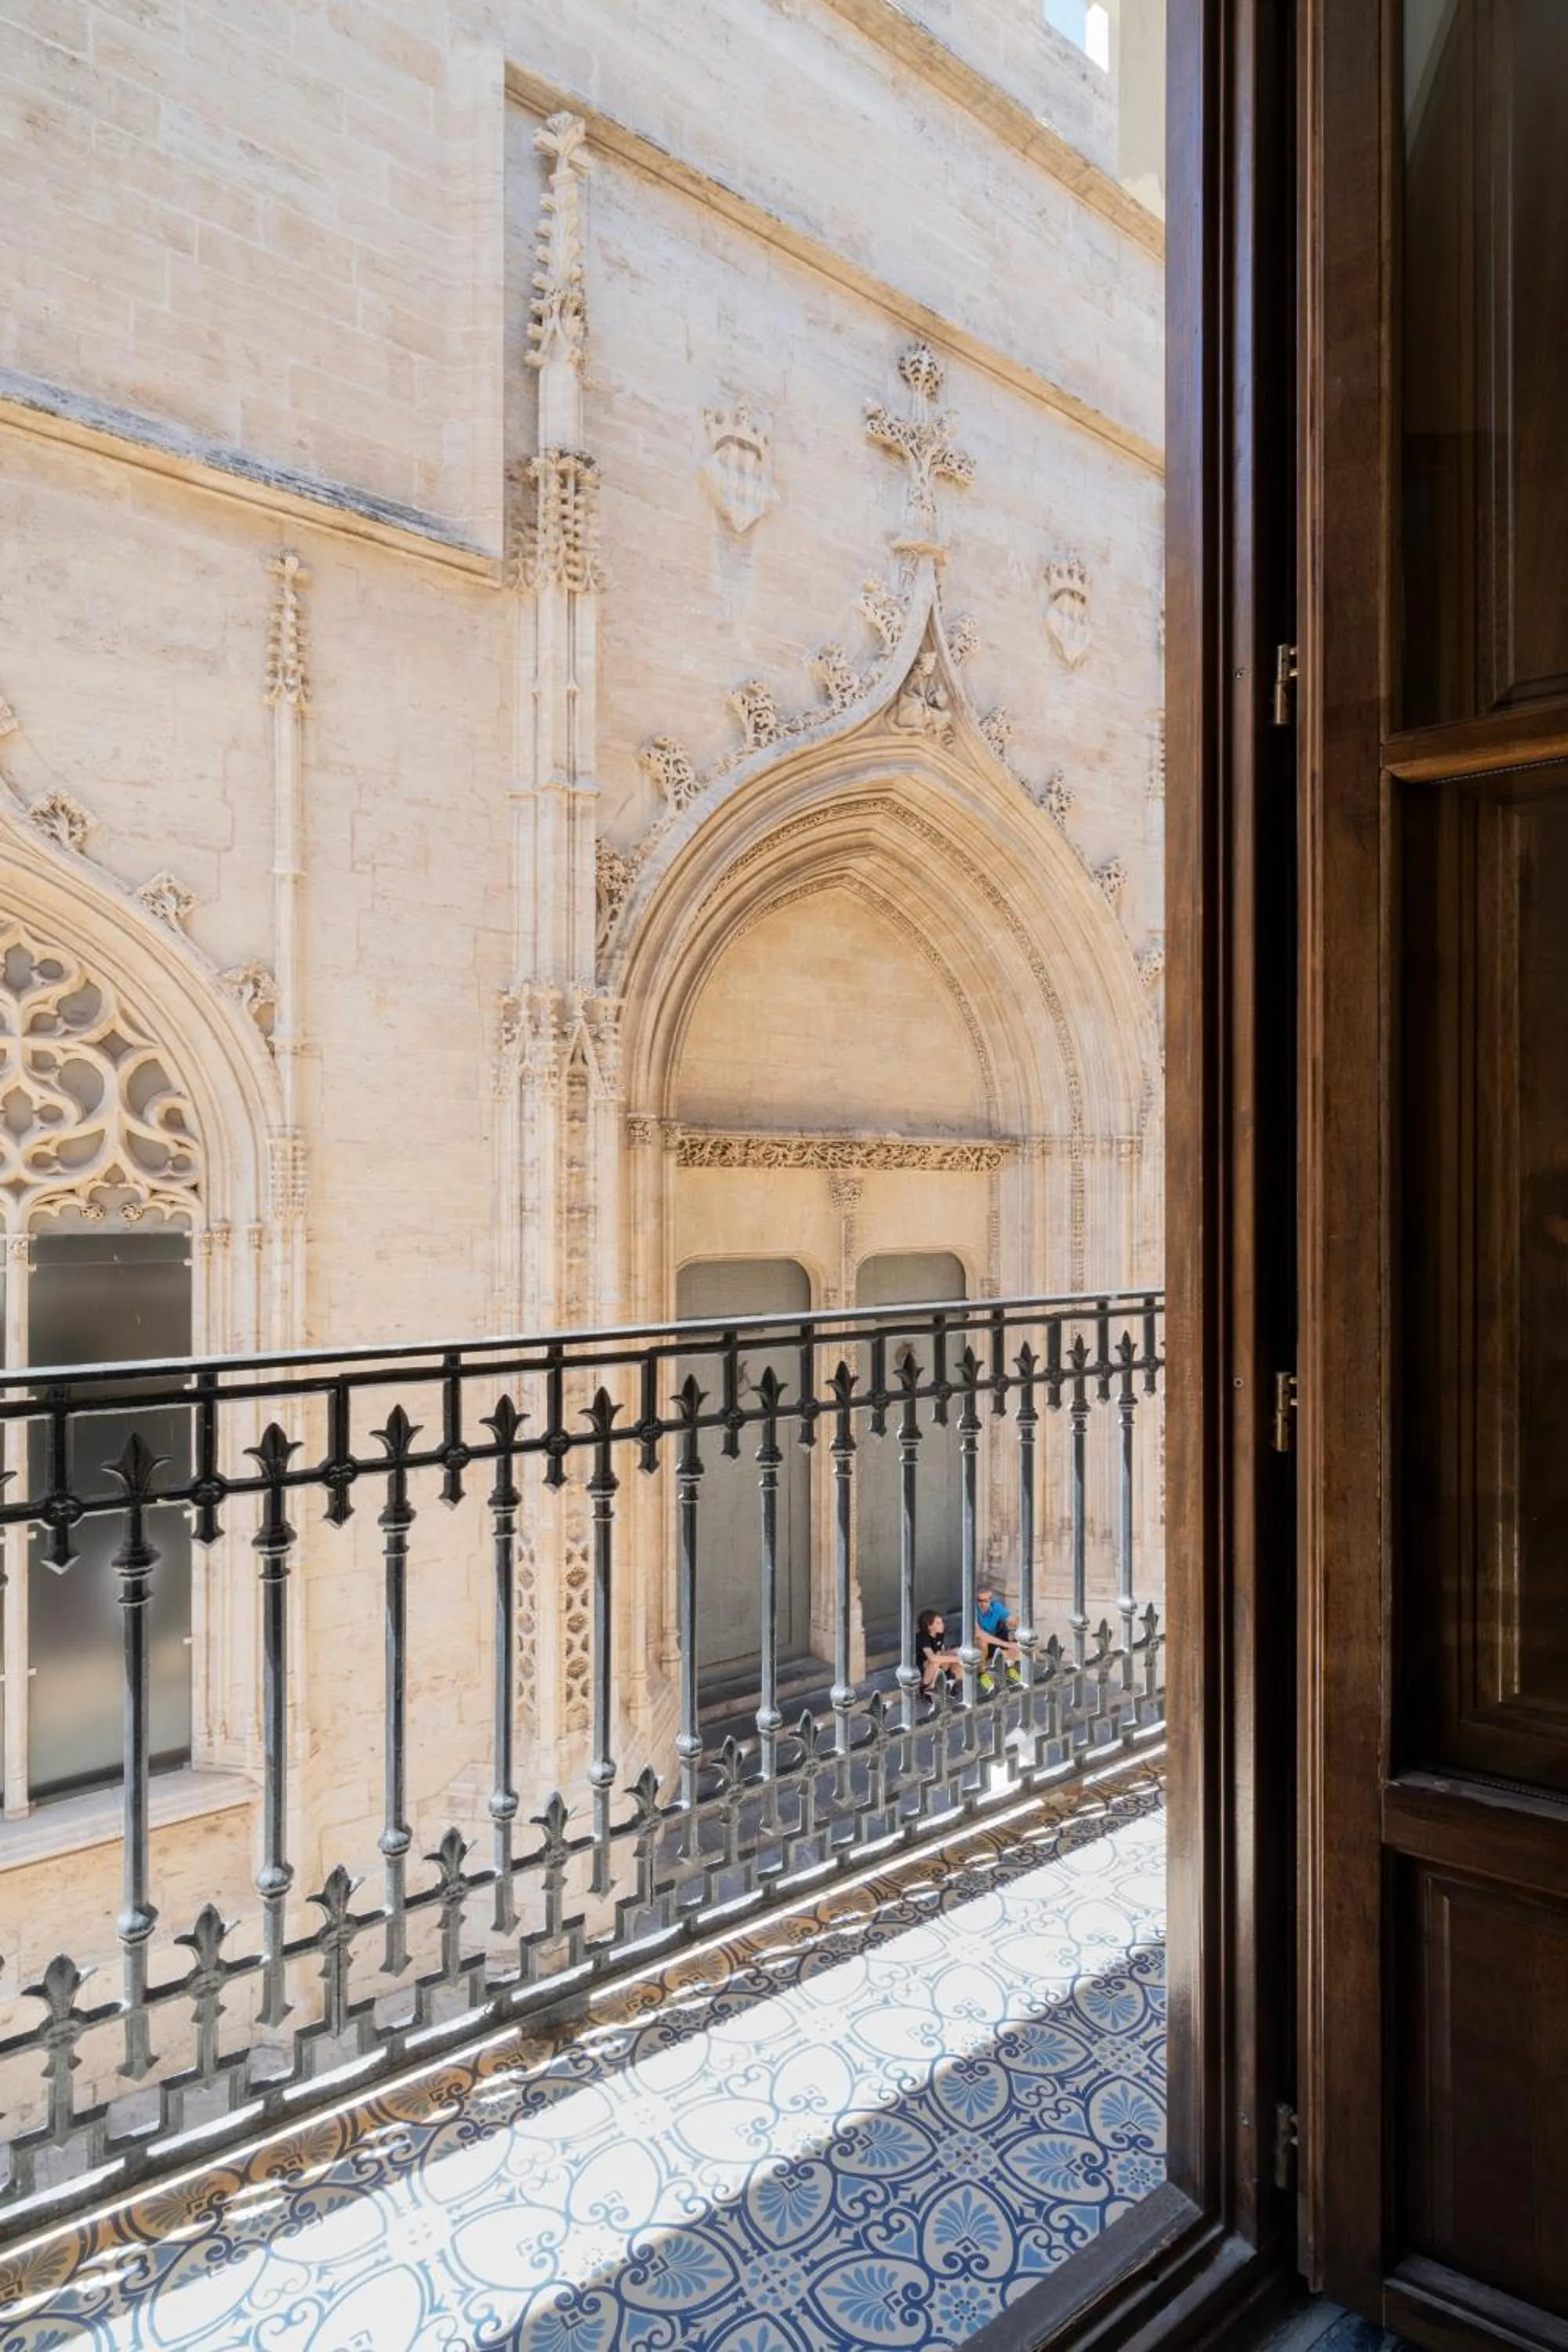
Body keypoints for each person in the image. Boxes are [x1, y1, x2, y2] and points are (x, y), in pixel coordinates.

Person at [975, 1587, 1022, 1679]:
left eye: (986, 1601)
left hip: (993, 1639)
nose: (983, 1604)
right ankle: (982, 1674)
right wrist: (1007, 1644)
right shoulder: (972, 1610)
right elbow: (979, 1634)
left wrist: (1014, 1639)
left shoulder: (996, 1607)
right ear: (977, 1600)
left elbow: (1014, 1621)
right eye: (981, 1601)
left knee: (1009, 1632)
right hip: (977, 1643)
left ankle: (1010, 1668)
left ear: (991, 1600)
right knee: (982, 1642)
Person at [914, 1607, 961, 1696]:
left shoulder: (939, 1634)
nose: (942, 1625)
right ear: (930, 1626)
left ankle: (949, 1681)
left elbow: (941, 1652)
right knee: (936, 1661)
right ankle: (926, 1688)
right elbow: (932, 1657)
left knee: (953, 1653)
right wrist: (957, 1659)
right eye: (938, 1623)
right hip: (923, 1667)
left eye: (942, 1622)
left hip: (936, 1664)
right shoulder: (922, 1637)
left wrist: (954, 1652)